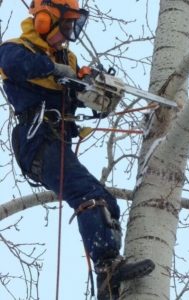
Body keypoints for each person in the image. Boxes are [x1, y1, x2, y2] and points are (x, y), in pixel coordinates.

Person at [0, 0, 154, 299]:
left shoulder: (68, 60)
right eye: (65, 26)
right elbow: (16, 66)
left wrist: (92, 90)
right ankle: (107, 263)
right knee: (88, 195)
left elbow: (77, 93)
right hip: (37, 143)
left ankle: (108, 280)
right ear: (44, 21)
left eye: (73, 27)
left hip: (56, 142)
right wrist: (58, 71)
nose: (68, 34)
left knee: (108, 202)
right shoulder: (15, 49)